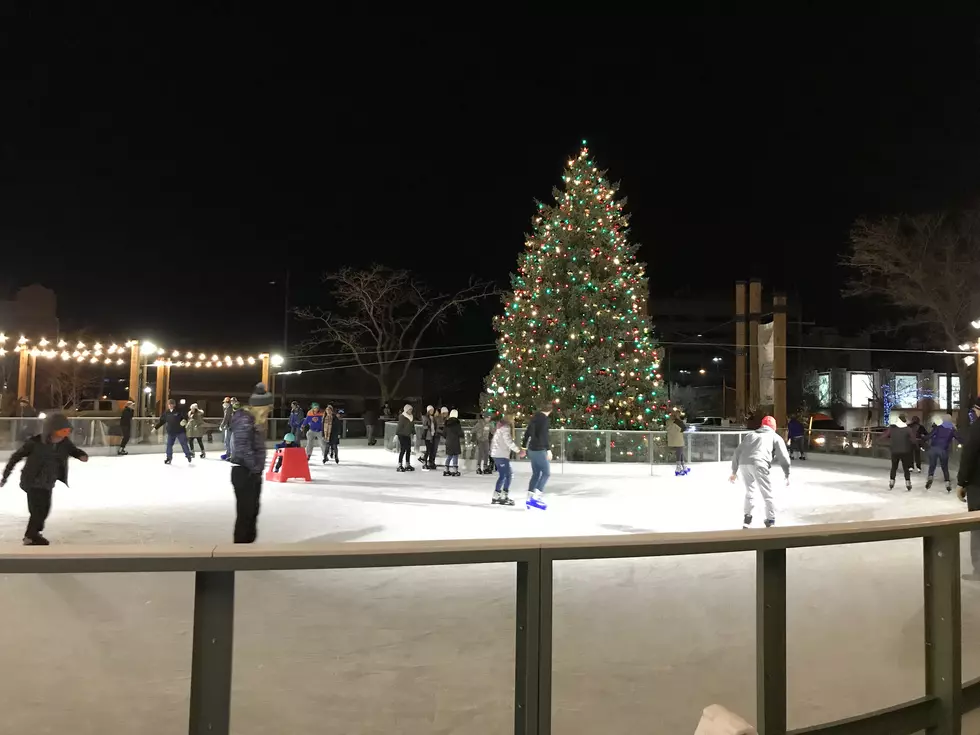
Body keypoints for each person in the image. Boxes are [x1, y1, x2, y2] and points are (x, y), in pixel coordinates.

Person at [1, 412, 89, 545]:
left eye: (68, 430)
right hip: (32, 481)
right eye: (63, 430)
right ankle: (30, 535)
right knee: (38, 510)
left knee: (45, 509)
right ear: (52, 430)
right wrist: (5, 475)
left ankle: (34, 533)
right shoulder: (35, 443)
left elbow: (74, 450)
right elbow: (16, 457)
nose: (67, 433)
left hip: (48, 482)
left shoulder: (64, 443)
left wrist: (81, 455)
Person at [730, 415, 791, 528]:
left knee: (750, 492)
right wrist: (787, 473)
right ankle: (770, 519)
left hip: (744, 464)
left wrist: (734, 471)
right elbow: (783, 457)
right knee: (767, 493)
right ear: (774, 427)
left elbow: (737, 452)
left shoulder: (750, 435)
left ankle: (747, 519)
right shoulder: (775, 436)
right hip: (759, 463)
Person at [229, 393, 266, 543]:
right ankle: (240, 550)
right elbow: (243, 447)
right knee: (246, 513)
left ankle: (248, 547)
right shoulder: (245, 420)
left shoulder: (253, 421)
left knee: (252, 512)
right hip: (244, 472)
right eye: (266, 408)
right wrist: (255, 466)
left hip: (252, 472)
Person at [959, 399, 980, 581]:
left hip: (978, 486)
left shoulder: (976, 429)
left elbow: (968, 457)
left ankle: (979, 569)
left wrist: (961, 482)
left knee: (977, 527)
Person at [522, 403, 553, 510]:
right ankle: (536, 497)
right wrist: (548, 449)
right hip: (539, 450)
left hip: (531, 450)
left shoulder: (534, 418)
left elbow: (527, 433)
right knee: (546, 473)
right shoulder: (544, 419)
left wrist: (524, 447)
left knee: (536, 474)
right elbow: (543, 436)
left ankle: (529, 498)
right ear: (550, 411)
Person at [490, 414, 525, 505]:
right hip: (500, 455)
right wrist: (518, 451)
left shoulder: (500, 427)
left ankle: (497, 495)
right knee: (506, 475)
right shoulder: (505, 428)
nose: (514, 421)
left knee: (505, 475)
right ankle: (501, 496)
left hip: (498, 454)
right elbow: (508, 442)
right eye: (513, 419)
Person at [926, 414, 960, 492]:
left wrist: (922, 439)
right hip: (943, 450)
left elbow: (929, 436)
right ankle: (947, 483)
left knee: (932, 465)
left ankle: (930, 477)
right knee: (944, 467)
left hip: (933, 449)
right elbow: (959, 438)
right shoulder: (952, 429)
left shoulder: (938, 427)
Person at [154, 398, 193, 465]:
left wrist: (184, 421)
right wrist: (155, 428)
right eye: (169, 404)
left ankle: (188, 455)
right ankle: (169, 458)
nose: (170, 405)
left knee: (184, 444)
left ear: (174, 405)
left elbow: (185, 417)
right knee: (169, 445)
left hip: (180, 431)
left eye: (171, 404)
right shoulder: (166, 413)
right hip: (171, 432)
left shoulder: (179, 411)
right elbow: (162, 421)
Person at [881, 414, 914, 491]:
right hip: (905, 451)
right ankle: (908, 483)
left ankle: (891, 482)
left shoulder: (892, 428)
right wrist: (917, 444)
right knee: (906, 468)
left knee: (894, 467)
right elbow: (913, 439)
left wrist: (880, 440)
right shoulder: (908, 429)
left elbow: (884, 435)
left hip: (894, 451)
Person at [666, 407, 688, 476]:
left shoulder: (668, 421)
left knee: (680, 452)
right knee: (680, 452)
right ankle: (679, 466)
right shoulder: (678, 422)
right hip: (678, 439)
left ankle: (683, 466)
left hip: (672, 439)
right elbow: (684, 428)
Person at [443, 409, 463, 476]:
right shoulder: (457, 424)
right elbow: (460, 433)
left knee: (449, 455)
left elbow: (444, 433)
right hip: (455, 441)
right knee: (455, 455)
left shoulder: (446, 423)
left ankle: (446, 469)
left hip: (448, 441)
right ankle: (455, 470)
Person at [396, 404, 415, 472]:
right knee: (403, 449)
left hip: (407, 435)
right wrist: (396, 434)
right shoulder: (402, 416)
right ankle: (399, 464)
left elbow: (412, 426)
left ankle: (407, 464)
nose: (411, 411)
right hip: (401, 435)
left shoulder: (411, 417)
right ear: (406, 410)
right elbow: (399, 426)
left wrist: (414, 434)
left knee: (408, 450)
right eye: (409, 409)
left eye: (411, 410)